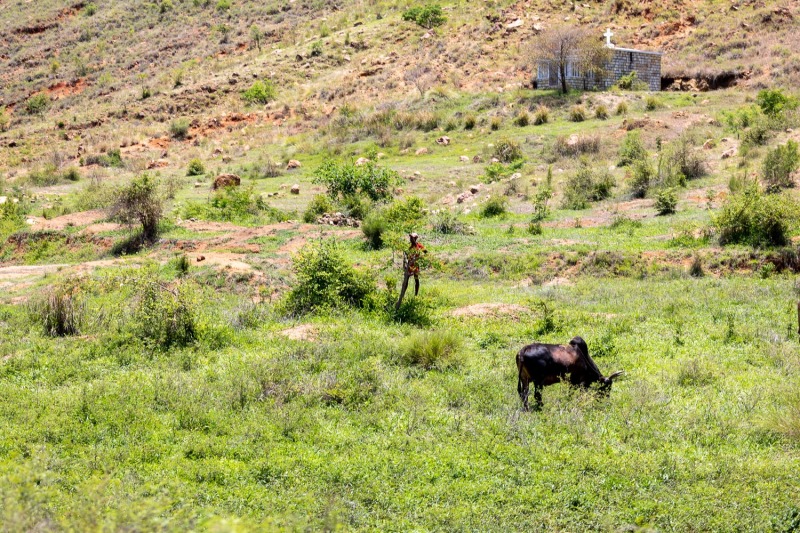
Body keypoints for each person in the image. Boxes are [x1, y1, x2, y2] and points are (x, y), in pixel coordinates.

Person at [396, 232, 427, 310]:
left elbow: (425, 252)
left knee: (416, 280)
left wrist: (420, 258)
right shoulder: (410, 248)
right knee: (406, 281)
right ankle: (402, 295)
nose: (410, 239)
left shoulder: (419, 246)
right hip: (410, 266)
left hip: (415, 266)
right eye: (410, 238)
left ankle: (416, 295)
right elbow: (406, 256)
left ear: (415, 238)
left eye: (412, 238)